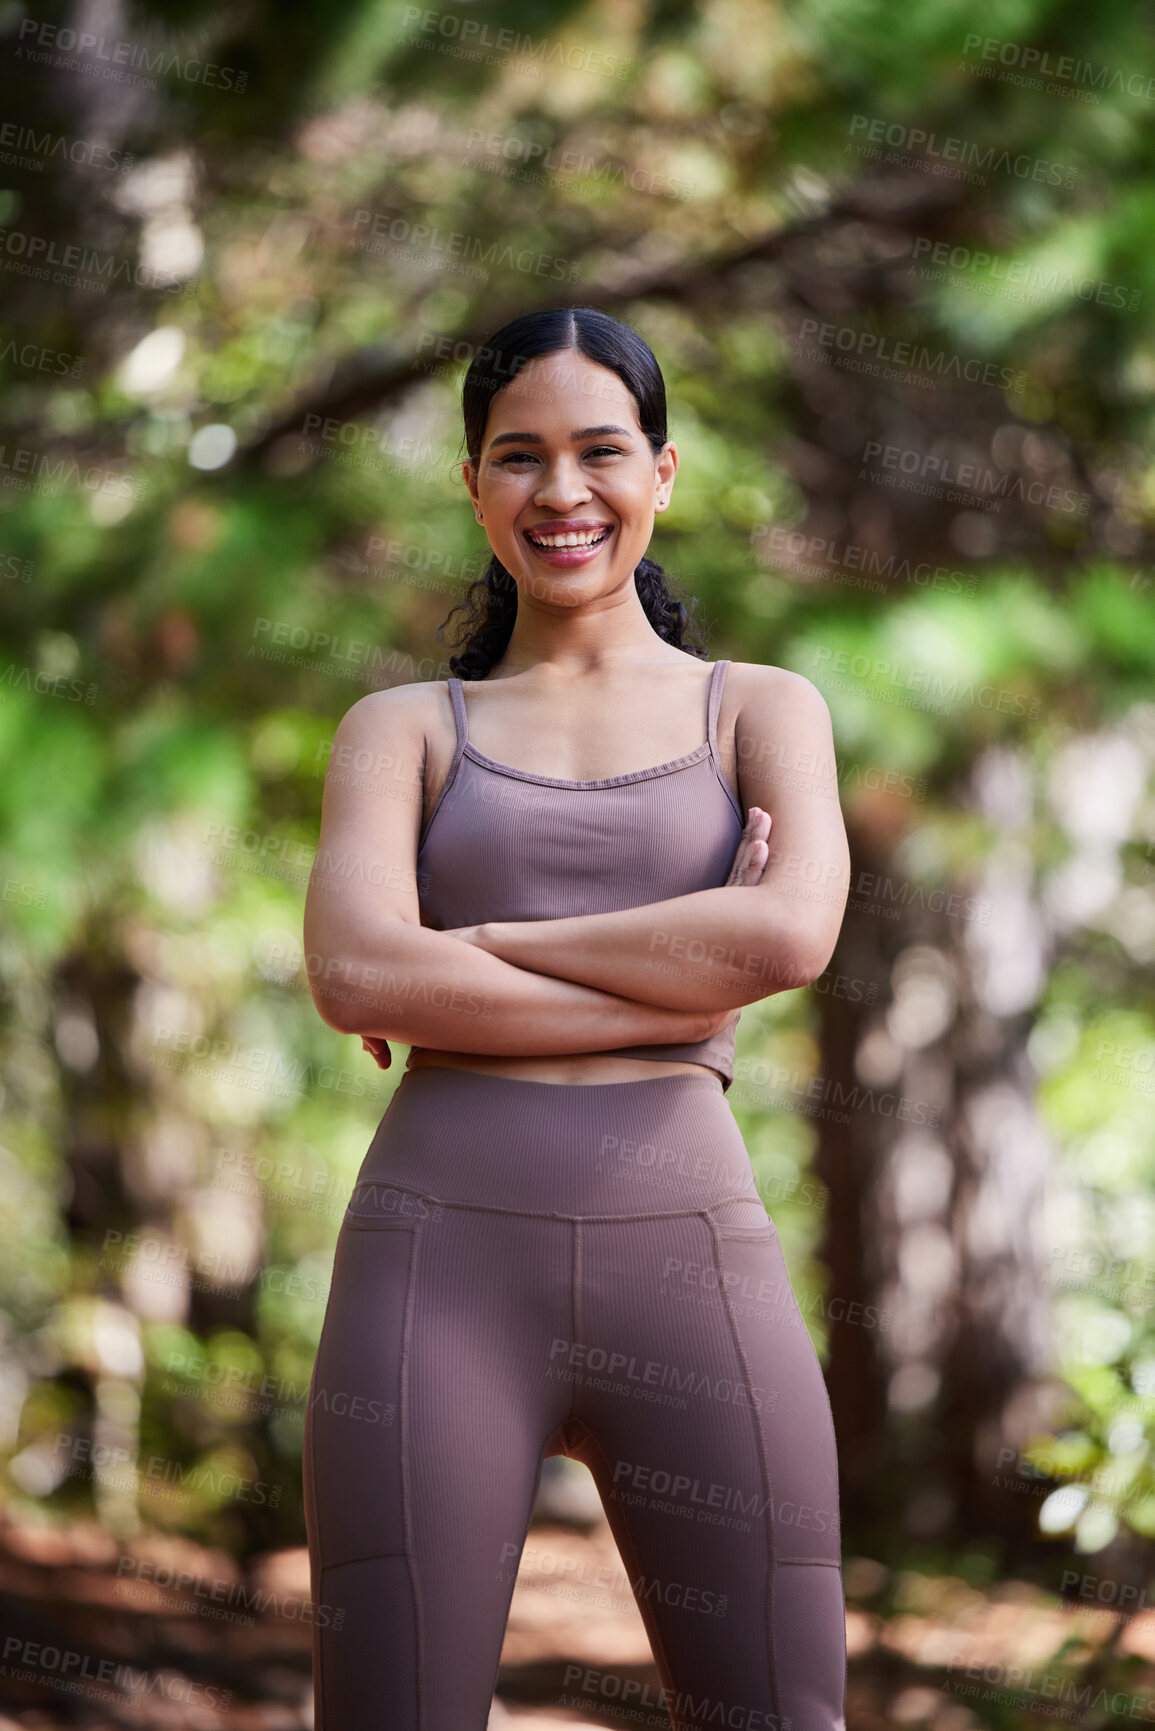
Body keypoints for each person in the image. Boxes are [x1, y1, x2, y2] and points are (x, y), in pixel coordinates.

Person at [301, 305, 852, 1731]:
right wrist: (682, 977)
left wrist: (474, 952)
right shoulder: (404, 730)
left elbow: (788, 934)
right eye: (518, 456)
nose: (562, 494)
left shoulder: (762, 711)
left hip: (690, 1261)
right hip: (434, 1269)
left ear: (661, 474)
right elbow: (358, 977)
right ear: (474, 484)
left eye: (601, 451)